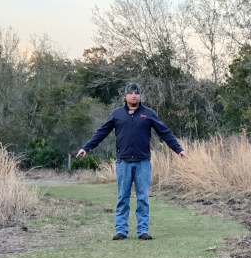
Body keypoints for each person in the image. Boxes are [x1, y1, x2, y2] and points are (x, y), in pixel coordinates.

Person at [77, 83, 188, 240]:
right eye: (130, 93)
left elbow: (164, 132)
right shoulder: (117, 114)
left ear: (140, 96)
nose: (134, 96)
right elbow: (101, 132)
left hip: (143, 162)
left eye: (136, 93)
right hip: (123, 162)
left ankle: (143, 230)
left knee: (143, 197)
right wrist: (86, 148)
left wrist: (179, 149)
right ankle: (121, 230)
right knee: (123, 197)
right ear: (125, 97)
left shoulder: (148, 114)